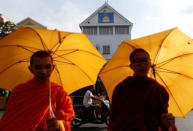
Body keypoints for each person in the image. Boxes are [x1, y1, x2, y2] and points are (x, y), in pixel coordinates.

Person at [0, 51, 75, 131]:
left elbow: (67, 117)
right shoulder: (19, 91)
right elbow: (10, 121)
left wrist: (58, 125)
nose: (43, 71)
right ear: (31, 69)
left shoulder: (58, 92)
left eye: (47, 66)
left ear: (53, 68)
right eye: (38, 67)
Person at [108, 48, 177, 131]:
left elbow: (162, 120)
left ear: (150, 64)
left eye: (145, 61)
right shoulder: (121, 89)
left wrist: (167, 122)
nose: (142, 65)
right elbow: (115, 119)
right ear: (131, 66)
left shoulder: (159, 90)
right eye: (137, 61)